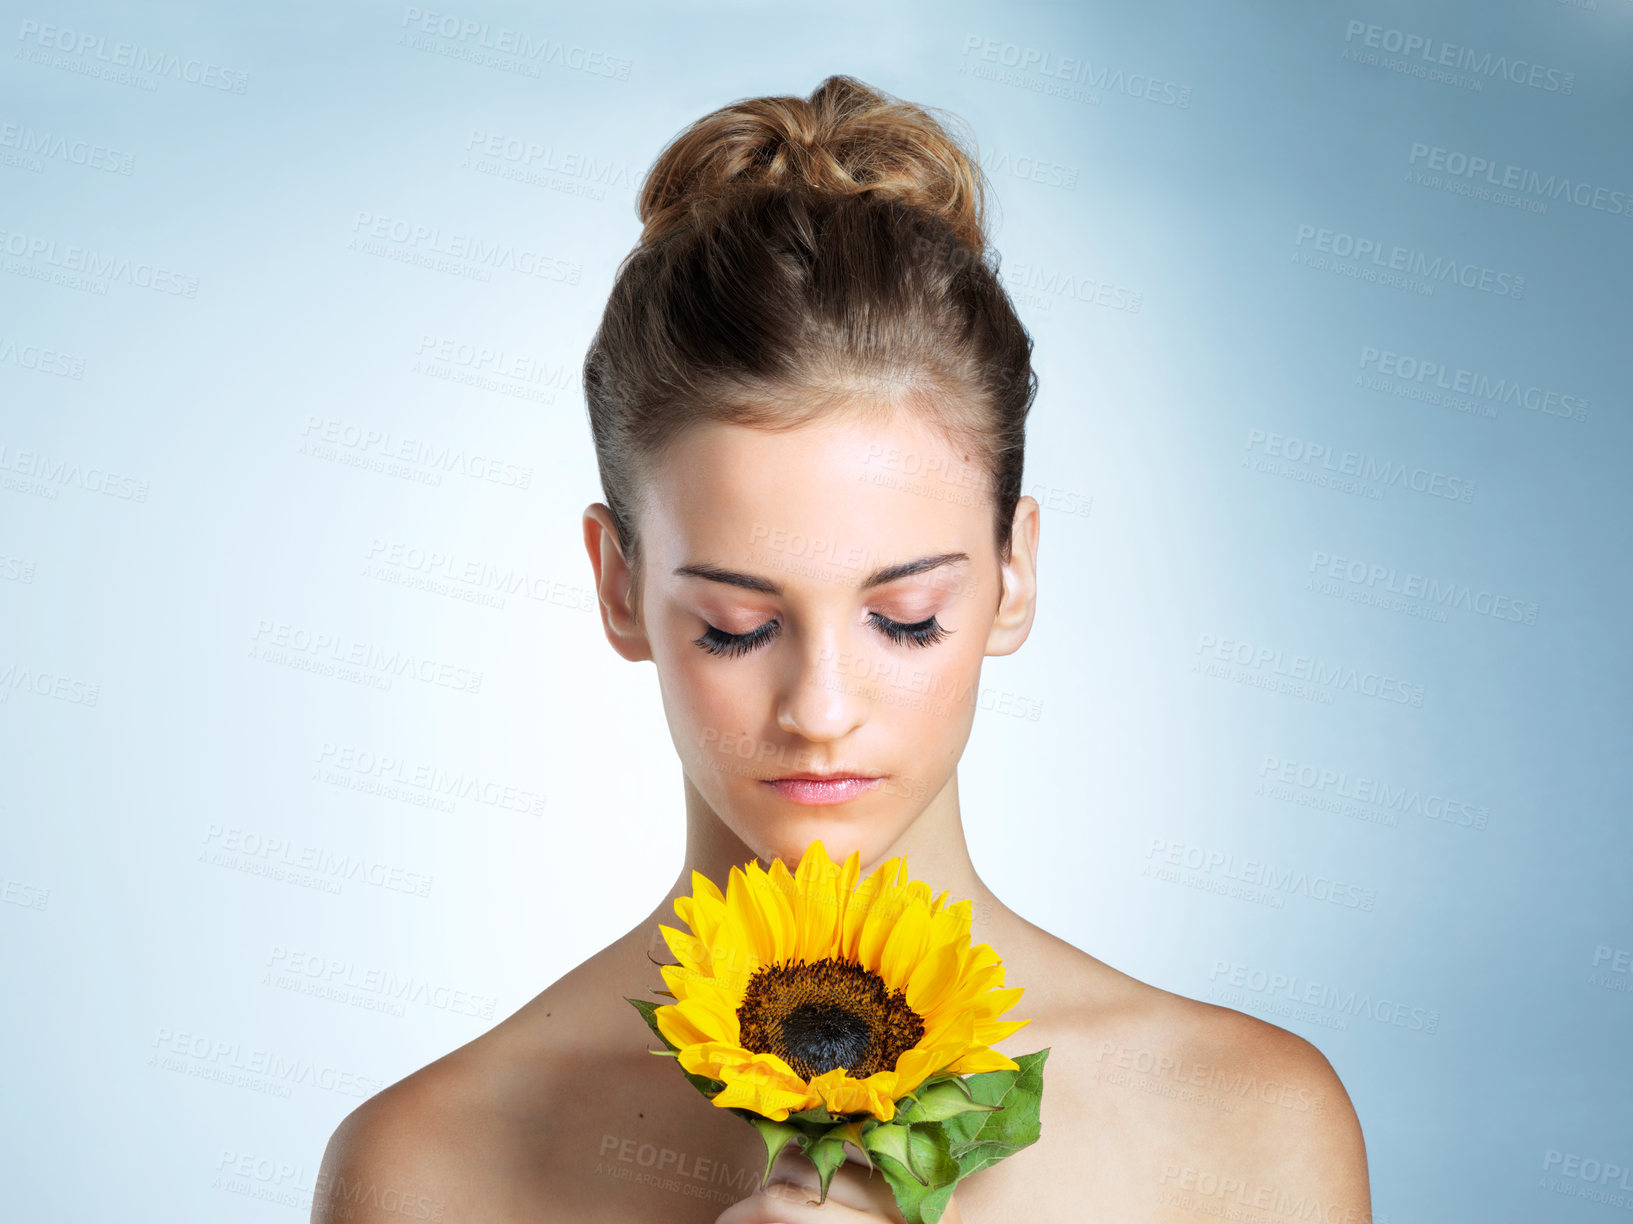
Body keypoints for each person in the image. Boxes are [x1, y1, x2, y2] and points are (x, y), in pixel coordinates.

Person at [313, 74, 1370, 1224]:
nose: (819, 707)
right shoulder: (424, 1167)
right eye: (738, 626)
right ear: (618, 585)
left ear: (1012, 574)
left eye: (904, 616)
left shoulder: (1244, 1126)